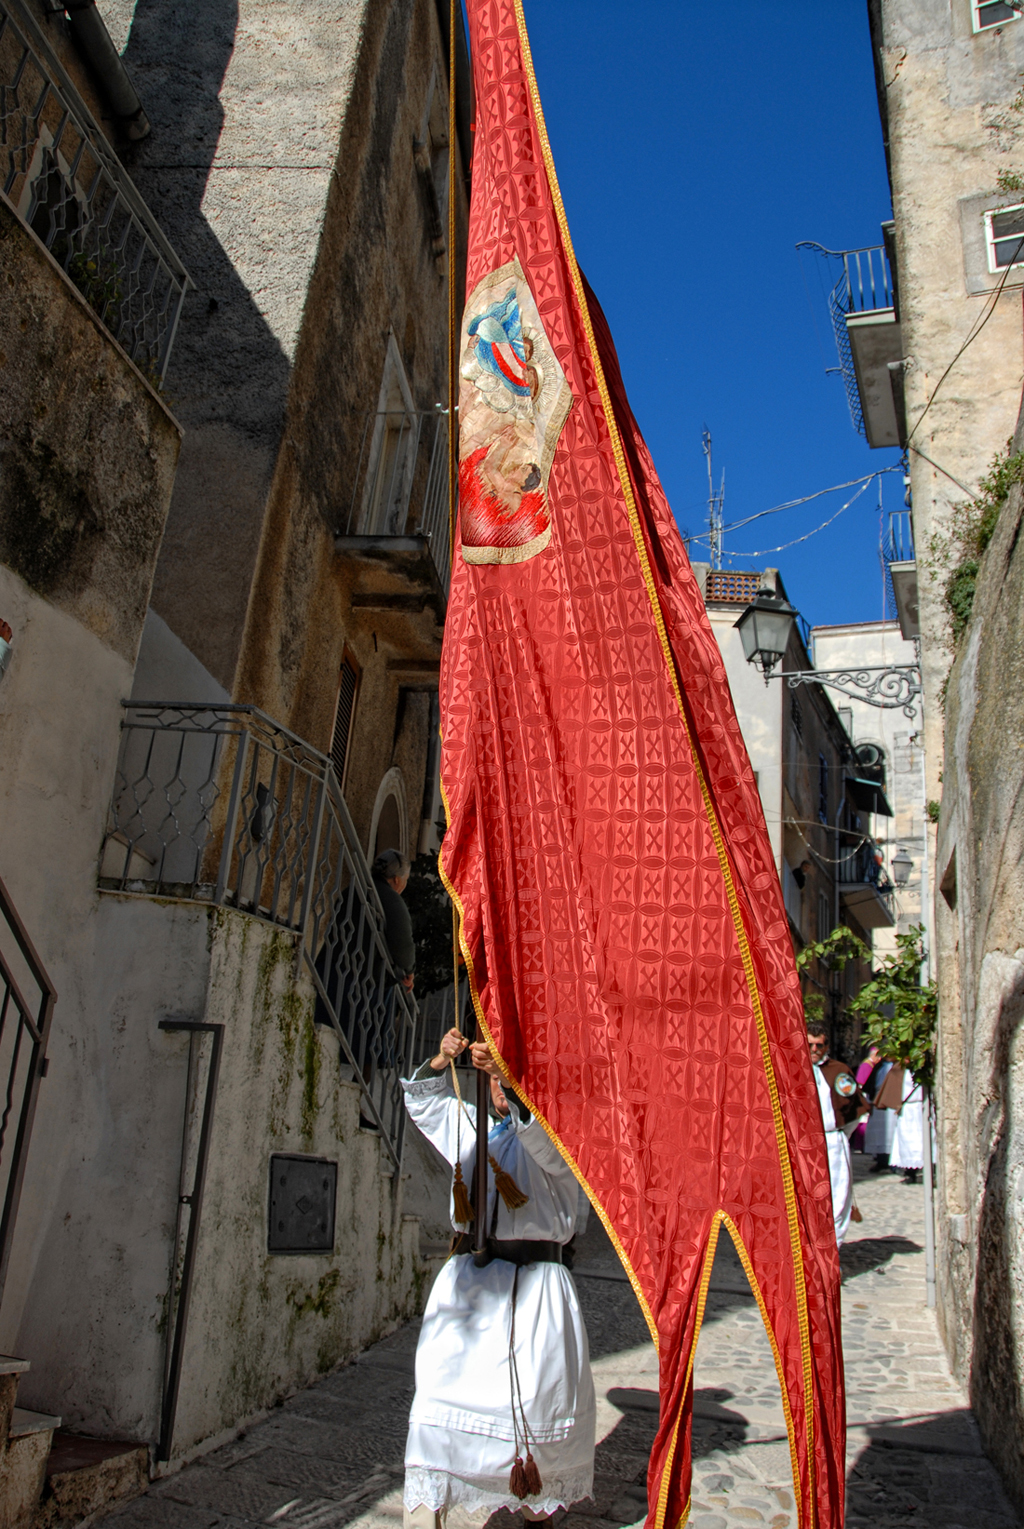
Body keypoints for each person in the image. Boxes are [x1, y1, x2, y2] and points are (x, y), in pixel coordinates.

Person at [401, 1028, 595, 1529]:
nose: (497, 1089)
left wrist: (510, 1081)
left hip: (535, 1299)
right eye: (493, 1079)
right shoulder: (477, 1131)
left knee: (530, 1412)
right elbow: (425, 1104)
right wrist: (443, 1060)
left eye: (510, 1077)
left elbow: (544, 1147)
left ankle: (535, 1511)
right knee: (440, 1401)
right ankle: (428, 1512)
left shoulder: (566, 1138)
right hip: (468, 1291)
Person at [806, 1021, 869, 1246]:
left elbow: (854, 1113)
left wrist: (838, 1133)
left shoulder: (839, 1071)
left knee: (837, 1194)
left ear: (827, 1046)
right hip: (802, 1143)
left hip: (832, 1140)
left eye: (819, 1046)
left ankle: (833, 1247)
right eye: (810, 1045)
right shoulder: (793, 1070)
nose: (814, 1050)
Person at [372, 848, 415, 991]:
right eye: (405, 880)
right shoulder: (393, 901)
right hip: (369, 977)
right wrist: (409, 970)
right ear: (396, 879)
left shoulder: (361, 885)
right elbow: (403, 943)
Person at [877, 1062, 926, 1184]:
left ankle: (930, 1171)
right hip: (907, 1110)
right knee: (906, 1141)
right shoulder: (899, 1069)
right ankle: (910, 1172)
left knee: (924, 1140)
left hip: (921, 1108)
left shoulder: (923, 1067)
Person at [850, 1044, 881, 1154]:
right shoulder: (866, 1065)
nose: (879, 1059)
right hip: (863, 1095)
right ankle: (859, 1146)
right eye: (878, 1056)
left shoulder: (870, 1065)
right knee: (863, 1120)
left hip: (866, 1095)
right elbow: (862, 1082)